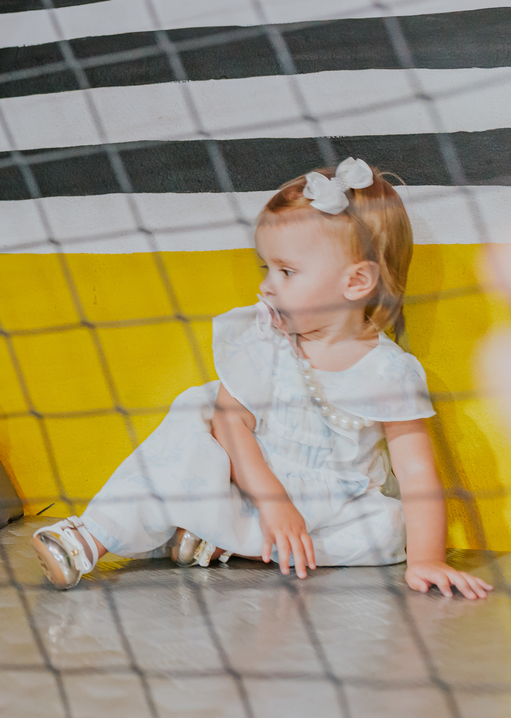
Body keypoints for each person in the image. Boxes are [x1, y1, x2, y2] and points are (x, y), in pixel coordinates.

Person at [32, 158, 493, 600]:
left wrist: (427, 559)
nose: (268, 285)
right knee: (193, 424)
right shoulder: (265, 339)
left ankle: (220, 541)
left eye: (287, 272)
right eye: (266, 269)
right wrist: (273, 502)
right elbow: (232, 426)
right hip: (248, 480)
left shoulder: (388, 372)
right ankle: (93, 535)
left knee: (388, 532)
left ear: (355, 283)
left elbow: (417, 475)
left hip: (327, 510)